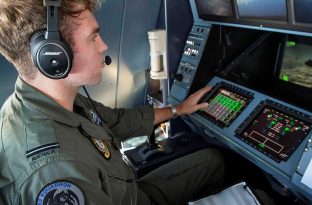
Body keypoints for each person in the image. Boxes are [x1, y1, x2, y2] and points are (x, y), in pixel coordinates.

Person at [0, 0, 224, 204]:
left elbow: (117, 121)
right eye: (93, 37)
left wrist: (178, 109)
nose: (103, 46)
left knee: (214, 160)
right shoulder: (56, 171)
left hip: (131, 191)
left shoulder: (48, 102)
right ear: (54, 57)